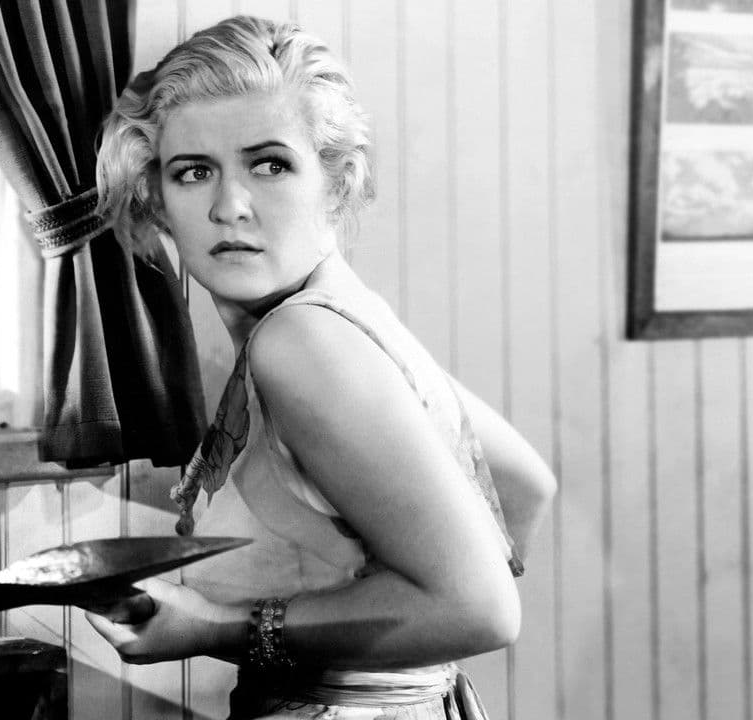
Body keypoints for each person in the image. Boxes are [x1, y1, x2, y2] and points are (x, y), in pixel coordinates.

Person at [86, 15, 556, 720]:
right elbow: (525, 484)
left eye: (270, 164)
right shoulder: (343, 312)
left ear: (336, 183)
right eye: (194, 172)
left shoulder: (299, 340)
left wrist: (215, 628)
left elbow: (482, 610)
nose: (229, 206)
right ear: (158, 197)